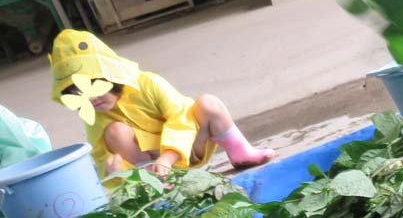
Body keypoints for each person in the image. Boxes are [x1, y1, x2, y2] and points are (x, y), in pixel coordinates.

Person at [49, 30, 274, 178]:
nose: (91, 98)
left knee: (208, 103)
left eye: (95, 85)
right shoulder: (96, 116)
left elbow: (180, 116)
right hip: (154, 169)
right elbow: (100, 154)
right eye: (78, 92)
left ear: (112, 76)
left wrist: (169, 155)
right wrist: (115, 172)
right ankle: (154, 182)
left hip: (189, 147)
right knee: (115, 132)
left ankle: (241, 152)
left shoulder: (147, 83)